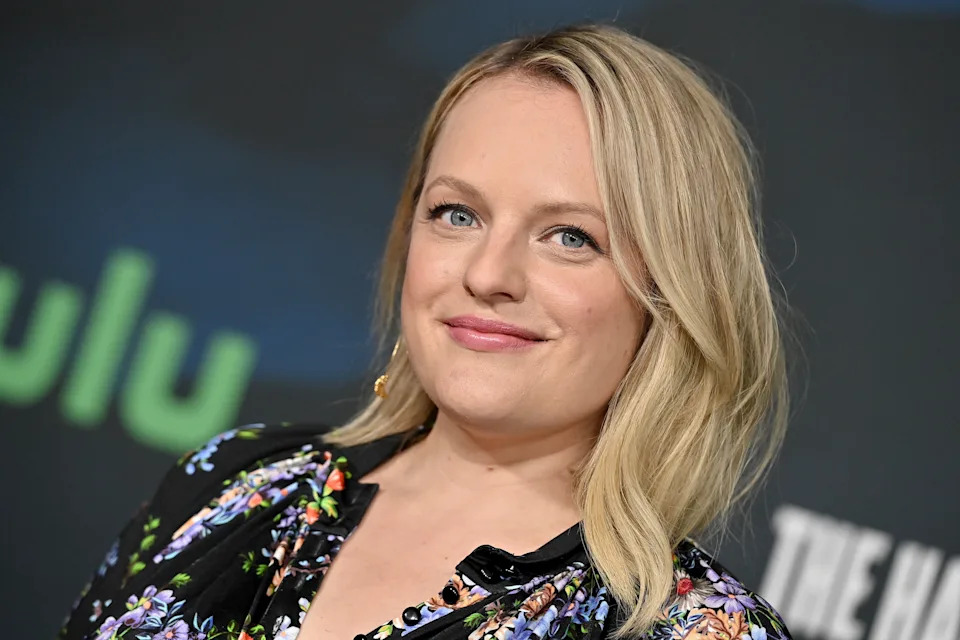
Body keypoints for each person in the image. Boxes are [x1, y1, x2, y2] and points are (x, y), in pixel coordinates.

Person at [59, 22, 794, 640]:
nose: (488, 273)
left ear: (670, 292)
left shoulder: (697, 629)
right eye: (458, 215)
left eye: (570, 236)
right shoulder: (236, 482)